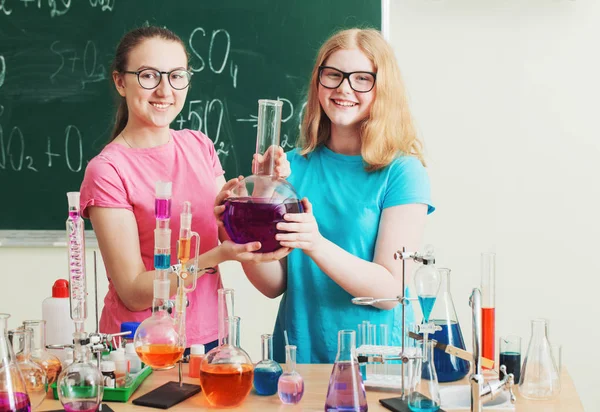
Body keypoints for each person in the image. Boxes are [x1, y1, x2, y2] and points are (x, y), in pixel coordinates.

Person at [215, 28, 435, 363]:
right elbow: (274, 284)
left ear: (383, 88)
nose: (344, 88)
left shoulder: (402, 173)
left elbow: (390, 291)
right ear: (319, 83)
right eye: (333, 75)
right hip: (298, 359)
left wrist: (315, 243)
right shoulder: (289, 168)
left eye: (362, 78)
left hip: (376, 364)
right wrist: (238, 227)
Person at [79, 26, 289, 353]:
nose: (165, 90)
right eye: (149, 75)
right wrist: (215, 257)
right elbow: (133, 291)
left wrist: (259, 195)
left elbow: (252, 260)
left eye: (177, 76)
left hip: (209, 339)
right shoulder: (107, 170)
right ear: (120, 81)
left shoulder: (199, 145)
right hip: (140, 346)